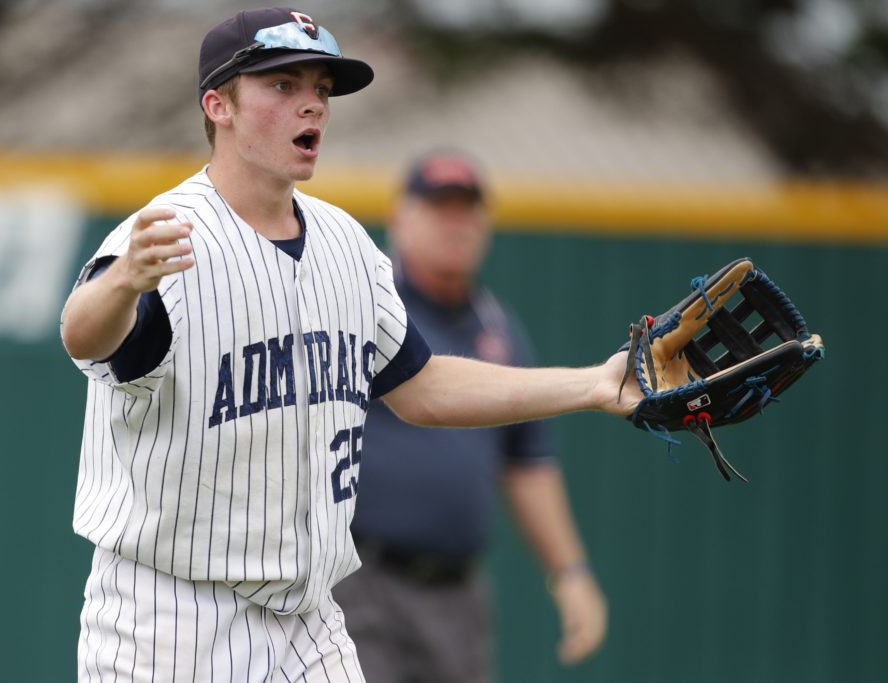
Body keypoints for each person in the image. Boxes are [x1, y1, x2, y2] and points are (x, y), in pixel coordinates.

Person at [59, 7, 640, 682]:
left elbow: (423, 387)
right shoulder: (167, 235)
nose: (312, 103)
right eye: (283, 85)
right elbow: (85, 334)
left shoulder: (345, 245)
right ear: (218, 104)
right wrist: (126, 280)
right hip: (171, 619)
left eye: (321, 89)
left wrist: (594, 383)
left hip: (309, 620)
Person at [331, 149, 607, 683]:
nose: (455, 224)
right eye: (439, 207)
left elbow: (528, 461)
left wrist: (570, 573)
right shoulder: (366, 303)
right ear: (401, 218)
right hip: (358, 584)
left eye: (466, 209)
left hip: (457, 594)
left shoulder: (497, 327)